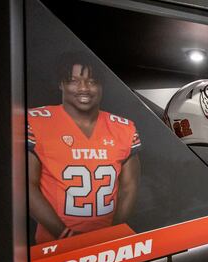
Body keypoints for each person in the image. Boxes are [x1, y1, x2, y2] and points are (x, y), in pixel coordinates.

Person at [27, 52, 140, 244]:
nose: (84, 88)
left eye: (92, 81)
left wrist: (111, 235)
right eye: (73, 80)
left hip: (110, 245)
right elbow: (26, 185)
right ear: (61, 84)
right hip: (55, 243)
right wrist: (66, 236)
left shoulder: (124, 127)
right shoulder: (36, 121)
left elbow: (130, 187)